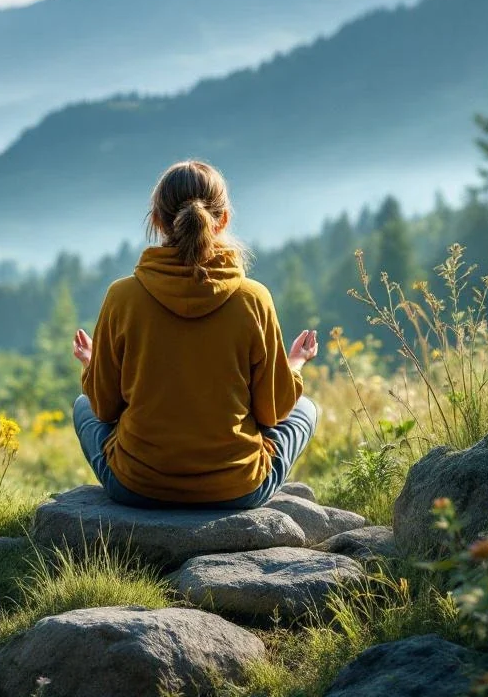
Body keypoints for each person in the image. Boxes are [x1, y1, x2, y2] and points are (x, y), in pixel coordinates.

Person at [71, 159, 318, 510]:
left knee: (82, 405)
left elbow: (104, 406)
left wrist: (93, 364)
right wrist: (295, 363)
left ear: (157, 221)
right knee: (305, 409)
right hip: (237, 489)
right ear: (224, 220)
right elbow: (271, 412)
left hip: (137, 486)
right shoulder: (253, 298)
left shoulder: (122, 296)